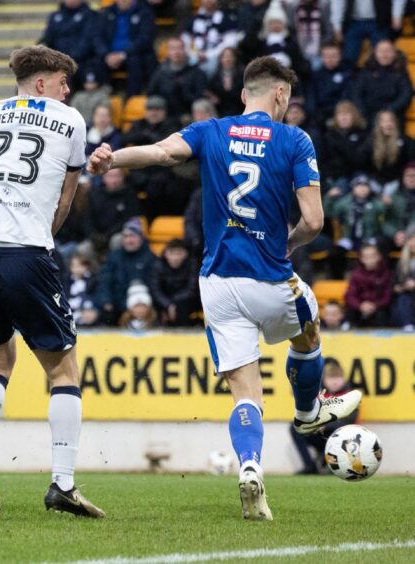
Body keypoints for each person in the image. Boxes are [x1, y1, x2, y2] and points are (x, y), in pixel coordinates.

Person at [87, 56, 362, 520]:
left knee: (245, 394)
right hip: (270, 278)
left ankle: (251, 466)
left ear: (242, 95)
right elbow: (314, 220)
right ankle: (309, 410)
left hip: (216, 284)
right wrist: (288, 243)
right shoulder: (294, 139)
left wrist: (111, 157)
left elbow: (159, 152)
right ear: (279, 95)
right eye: (288, 97)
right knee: (308, 326)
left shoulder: (211, 130)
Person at [0, 45, 104, 519]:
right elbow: (66, 198)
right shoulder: (70, 120)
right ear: (41, 83)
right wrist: (42, 235)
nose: (69, 90)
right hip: (28, 253)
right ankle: (62, 484)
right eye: (63, 82)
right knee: (63, 370)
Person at [289, 359, 359, 474]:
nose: (334, 382)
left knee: (339, 431)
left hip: (343, 441)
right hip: (320, 436)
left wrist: (324, 425)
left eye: (337, 378)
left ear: (344, 379)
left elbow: (348, 421)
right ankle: (310, 466)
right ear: (324, 380)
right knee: (295, 428)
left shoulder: (350, 396)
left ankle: (335, 467)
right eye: (331, 378)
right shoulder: (318, 396)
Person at [95, 217, 155, 326]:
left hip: (144, 305)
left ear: (141, 238)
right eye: (126, 237)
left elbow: (154, 286)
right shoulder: (114, 257)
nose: (129, 240)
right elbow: (105, 281)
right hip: (119, 304)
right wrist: (106, 301)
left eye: (133, 236)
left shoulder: (150, 258)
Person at [93, 0, 156, 96]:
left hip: (133, 54)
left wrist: (123, 55)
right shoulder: (107, 12)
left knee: (136, 61)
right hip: (109, 55)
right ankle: (103, 96)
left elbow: (145, 38)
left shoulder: (144, 11)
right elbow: (97, 37)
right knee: (94, 62)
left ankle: (133, 97)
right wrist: (106, 55)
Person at [150, 238, 198, 326]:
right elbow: (155, 290)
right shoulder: (158, 266)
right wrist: (168, 304)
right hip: (164, 302)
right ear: (165, 254)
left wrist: (174, 303)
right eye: (172, 253)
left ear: (185, 254)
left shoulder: (192, 265)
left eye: (179, 253)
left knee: (182, 306)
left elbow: (192, 289)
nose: (175, 257)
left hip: (186, 302)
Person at [344, 243, 393, 327]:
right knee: (350, 312)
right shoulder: (356, 274)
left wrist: (375, 305)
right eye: (366, 257)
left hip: (379, 308)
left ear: (379, 257)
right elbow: (349, 295)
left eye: (372, 256)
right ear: (361, 259)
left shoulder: (386, 274)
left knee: (384, 313)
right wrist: (360, 305)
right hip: (360, 307)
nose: (370, 259)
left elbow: (388, 295)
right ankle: (346, 327)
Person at [393, 229, 415, 330]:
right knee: (403, 298)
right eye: (411, 239)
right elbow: (396, 282)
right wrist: (400, 287)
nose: (413, 242)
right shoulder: (402, 262)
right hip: (408, 295)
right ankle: (408, 325)